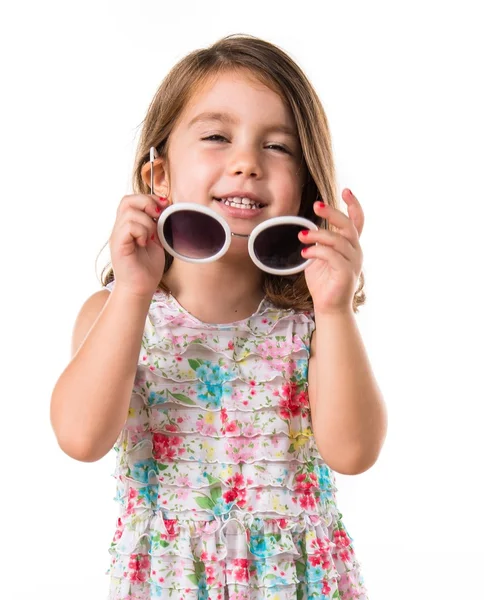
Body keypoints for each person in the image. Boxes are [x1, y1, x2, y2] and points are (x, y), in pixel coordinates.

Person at [50, 33, 387, 600]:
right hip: (170, 582)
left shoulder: (311, 326)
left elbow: (353, 454)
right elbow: (81, 438)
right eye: (215, 136)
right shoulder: (119, 314)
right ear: (159, 175)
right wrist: (134, 289)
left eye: (277, 147)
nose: (246, 163)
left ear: (303, 186)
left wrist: (334, 309)